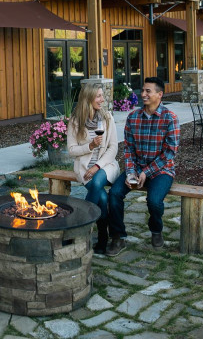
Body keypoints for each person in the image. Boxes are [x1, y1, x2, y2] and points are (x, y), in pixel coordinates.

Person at [106, 77, 179, 257]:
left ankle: (156, 230)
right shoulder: (133, 117)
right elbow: (128, 148)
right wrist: (131, 171)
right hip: (136, 168)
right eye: (143, 90)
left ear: (159, 94)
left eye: (148, 91)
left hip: (162, 170)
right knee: (114, 194)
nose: (143, 94)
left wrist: (147, 172)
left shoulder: (170, 118)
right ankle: (118, 237)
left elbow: (170, 152)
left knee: (154, 201)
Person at [67, 84, 119, 254]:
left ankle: (80, 224)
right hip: (84, 170)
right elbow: (72, 150)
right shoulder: (75, 121)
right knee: (102, 198)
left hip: (106, 166)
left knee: (97, 181)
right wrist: (89, 146)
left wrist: (97, 166)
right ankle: (103, 238)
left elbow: (113, 148)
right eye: (98, 96)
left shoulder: (107, 117)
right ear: (88, 98)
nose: (102, 99)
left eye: (102, 96)